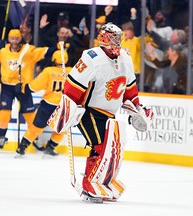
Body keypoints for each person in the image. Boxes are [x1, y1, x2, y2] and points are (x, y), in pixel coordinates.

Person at [50, 23, 154, 202]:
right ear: (104, 38)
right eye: (113, 38)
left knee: (115, 148)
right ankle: (89, 183)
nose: (117, 42)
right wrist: (67, 107)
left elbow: (129, 88)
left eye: (118, 38)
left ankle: (104, 181)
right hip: (89, 112)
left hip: (110, 113)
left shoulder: (125, 58)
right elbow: (73, 85)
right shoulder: (91, 57)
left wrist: (136, 108)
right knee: (101, 147)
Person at [0, 29, 56, 150]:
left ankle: (34, 139)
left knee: (30, 115)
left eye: (17, 39)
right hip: (6, 86)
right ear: (8, 39)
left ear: (20, 38)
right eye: (12, 39)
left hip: (23, 87)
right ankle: (0, 137)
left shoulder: (29, 50)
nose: (14, 41)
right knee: (4, 114)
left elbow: (45, 52)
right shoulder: (3, 51)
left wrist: (57, 47)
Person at [15, 49, 71, 157]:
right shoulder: (72, 72)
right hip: (63, 106)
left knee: (36, 128)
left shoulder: (48, 71)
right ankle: (50, 148)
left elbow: (34, 86)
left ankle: (21, 148)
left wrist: (23, 87)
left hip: (48, 104)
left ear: (54, 59)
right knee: (61, 129)